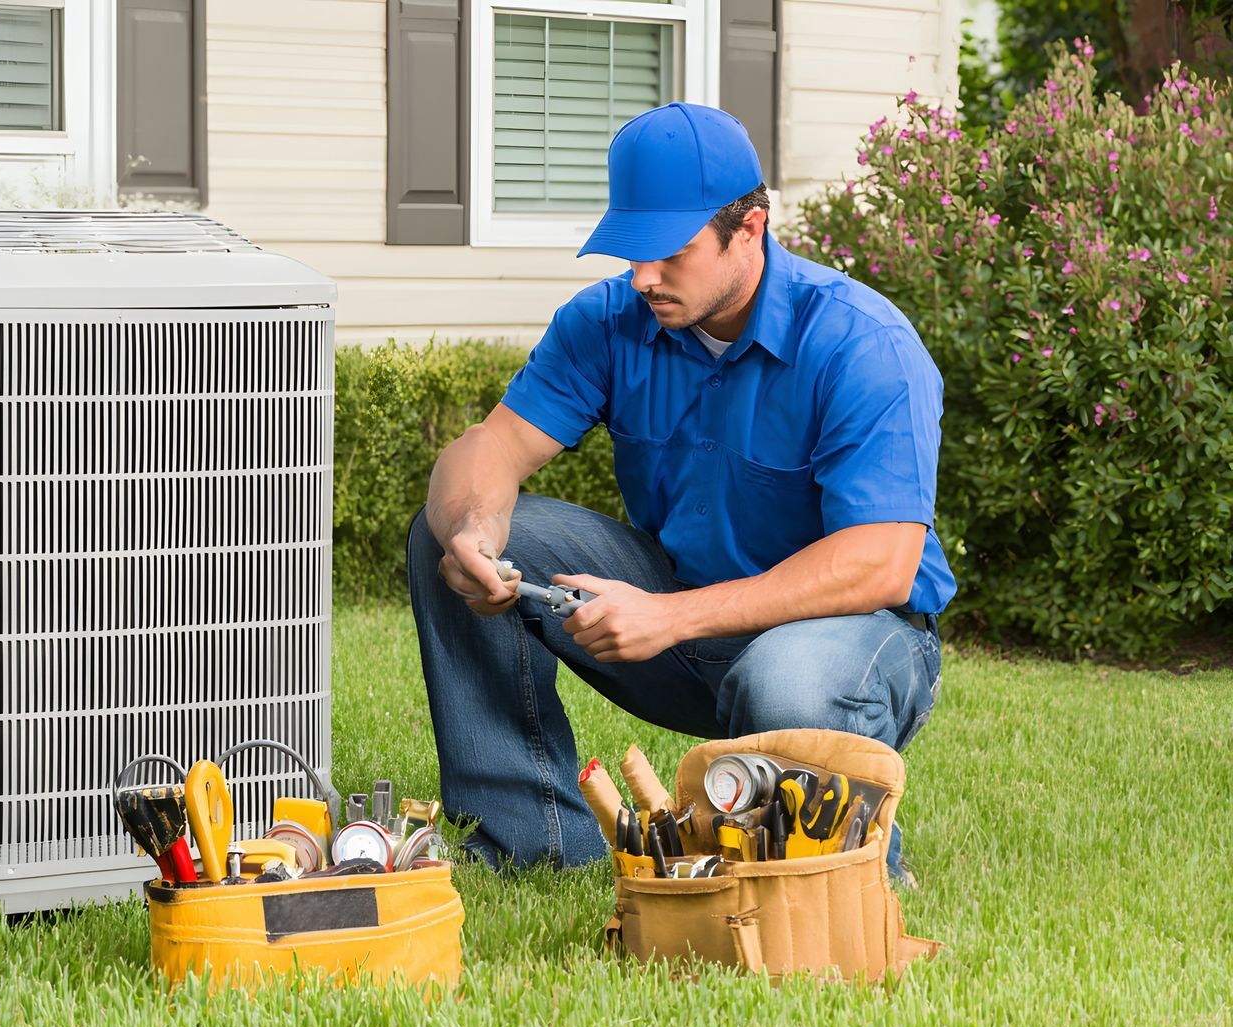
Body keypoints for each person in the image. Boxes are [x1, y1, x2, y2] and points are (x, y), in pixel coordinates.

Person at [407, 102, 953, 880]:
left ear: (751, 228)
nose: (643, 277)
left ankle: (844, 877)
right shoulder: (609, 320)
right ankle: (537, 844)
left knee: (785, 677)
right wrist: (470, 530)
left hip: (856, 636)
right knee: (447, 531)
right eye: (630, 250)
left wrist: (668, 616)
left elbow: (880, 565)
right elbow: (489, 448)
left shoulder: (861, 344)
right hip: (685, 616)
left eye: (671, 251)